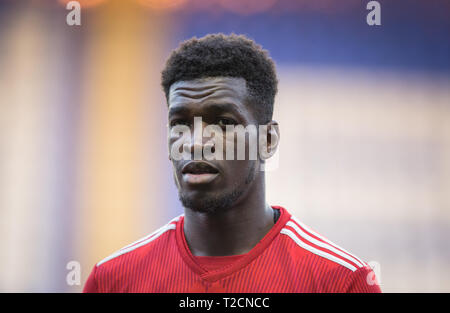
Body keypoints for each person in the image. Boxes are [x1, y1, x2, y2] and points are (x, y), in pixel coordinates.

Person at [83, 33, 381, 293]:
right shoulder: (112, 280)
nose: (196, 142)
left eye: (224, 122)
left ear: (267, 140)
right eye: (180, 123)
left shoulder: (342, 282)